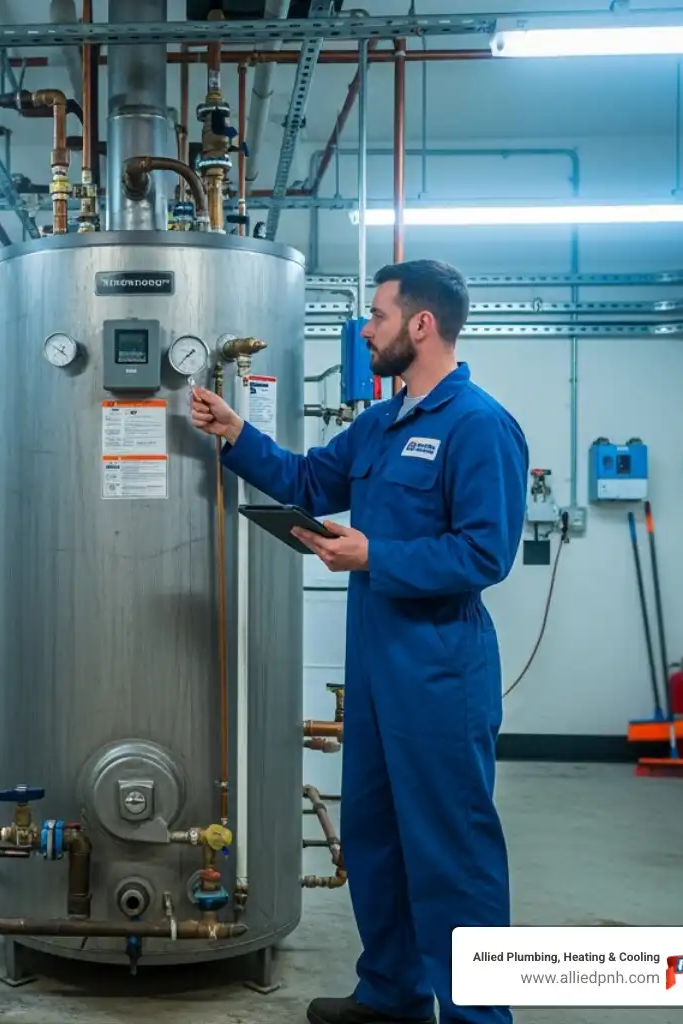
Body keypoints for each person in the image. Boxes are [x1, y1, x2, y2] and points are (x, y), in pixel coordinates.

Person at [191, 259, 528, 1024]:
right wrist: (237, 433)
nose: (365, 329)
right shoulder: (379, 423)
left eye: (376, 316)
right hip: (375, 671)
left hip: (441, 670)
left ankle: (480, 1017)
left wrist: (375, 555)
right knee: (375, 838)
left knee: (453, 854)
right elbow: (311, 482)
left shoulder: (478, 425)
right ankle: (392, 994)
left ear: (421, 325)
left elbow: (486, 555)